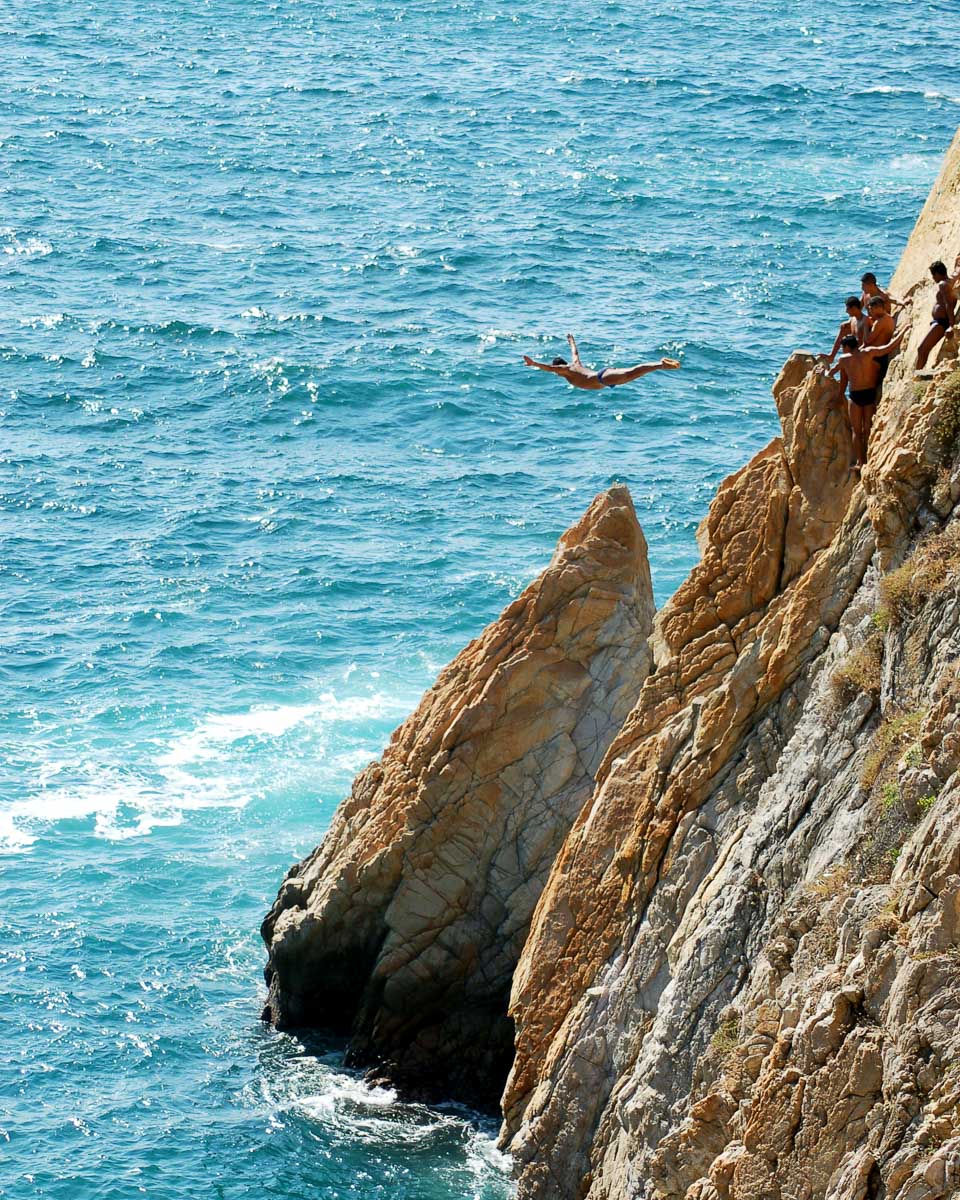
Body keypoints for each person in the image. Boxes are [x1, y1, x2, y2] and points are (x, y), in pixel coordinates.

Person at [832, 330, 905, 470]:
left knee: (856, 431)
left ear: (847, 347)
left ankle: (861, 462)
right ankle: (871, 458)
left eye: (842, 347)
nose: (842, 350)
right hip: (870, 394)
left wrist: (820, 370)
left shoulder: (844, 359)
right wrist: (904, 331)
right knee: (868, 427)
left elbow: (831, 372)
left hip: (855, 396)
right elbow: (889, 347)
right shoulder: (869, 352)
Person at [523, 333, 680, 390]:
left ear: (559, 367)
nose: (556, 372)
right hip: (604, 380)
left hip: (602, 378)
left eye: (556, 370)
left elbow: (549, 368)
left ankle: (660, 364)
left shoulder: (565, 369)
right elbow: (575, 353)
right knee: (632, 375)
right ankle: (660, 365)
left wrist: (534, 364)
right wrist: (571, 341)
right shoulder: (574, 365)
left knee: (631, 373)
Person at [916, 260, 956, 371]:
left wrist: (951, 326)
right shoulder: (948, 282)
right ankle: (919, 372)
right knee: (924, 349)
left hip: (942, 322)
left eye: (933, 275)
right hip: (939, 321)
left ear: (938, 273)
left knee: (922, 349)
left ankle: (918, 374)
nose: (933, 278)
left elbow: (948, 305)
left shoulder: (943, 284)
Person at [862, 295, 896, 394]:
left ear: (878, 308)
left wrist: (865, 324)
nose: (870, 312)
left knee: (868, 385)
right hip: (883, 355)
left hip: (877, 357)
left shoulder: (879, 322)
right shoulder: (889, 318)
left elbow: (867, 340)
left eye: (871, 309)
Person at [824, 296, 867, 364]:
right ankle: (832, 356)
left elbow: (867, 342)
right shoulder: (853, 319)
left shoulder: (865, 321)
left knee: (842, 360)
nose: (846, 311)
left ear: (854, 308)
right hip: (853, 351)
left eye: (847, 309)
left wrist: (852, 355)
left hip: (861, 353)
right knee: (844, 328)